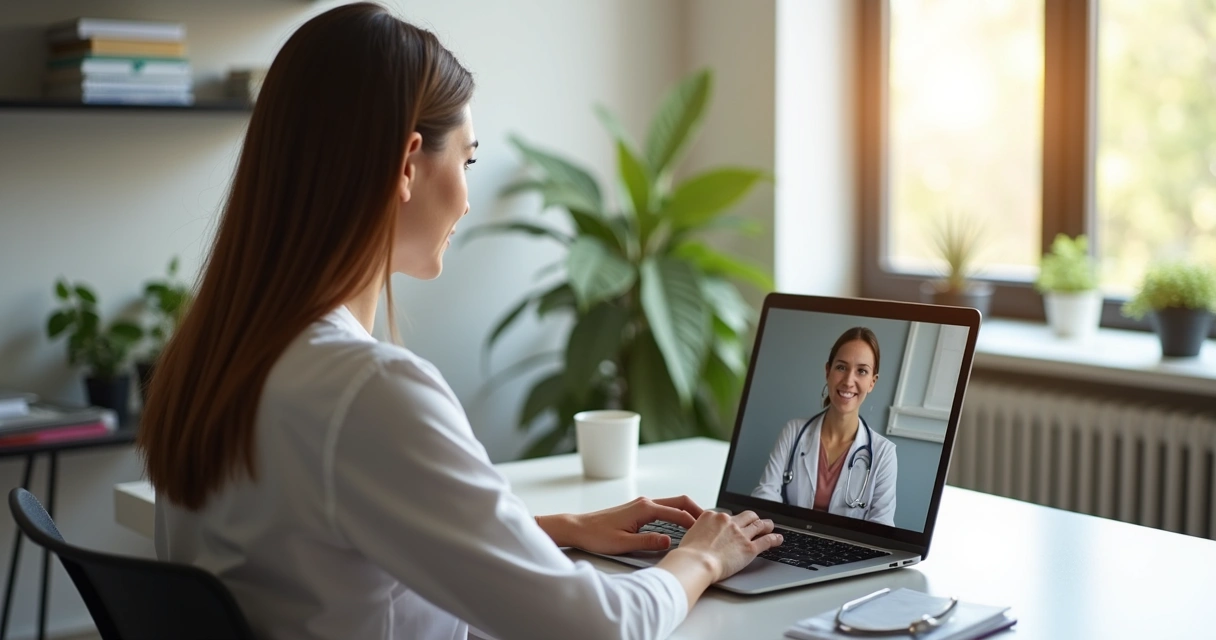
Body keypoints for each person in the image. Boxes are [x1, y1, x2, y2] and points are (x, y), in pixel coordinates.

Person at [136, 4, 782, 640]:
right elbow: (595, 628)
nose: (468, 200)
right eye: (467, 161)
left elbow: (333, 544)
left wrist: (552, 530)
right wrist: (702, 558)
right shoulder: (364, 390)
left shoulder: (215, 358)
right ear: (407, 164)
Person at [751, 327, 898, 526]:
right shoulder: (793, 432)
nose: (848, 381)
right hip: (784, 537)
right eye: (841, 367)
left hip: (847, 546)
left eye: (861, 371)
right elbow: (765, 495)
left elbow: (882, 527)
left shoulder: (884, 454)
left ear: (872, 382)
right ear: (828, 371)